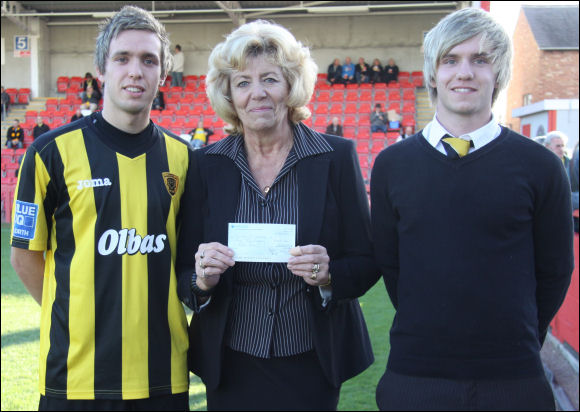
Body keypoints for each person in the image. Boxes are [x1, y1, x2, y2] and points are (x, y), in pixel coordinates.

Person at [371, 8, 573, 411]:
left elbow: (555, 270)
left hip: (513, 379)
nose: (464, 72)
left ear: (498, 74)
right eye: (451, 60)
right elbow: (393, 267)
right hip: (415, 376)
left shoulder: (541, 166)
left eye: (479, 60)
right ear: (433, 74)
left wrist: (514, 339)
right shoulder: (392, 165)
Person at [176, 20, 375, 411]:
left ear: (291, 86)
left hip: (312, 360)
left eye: (270, 78)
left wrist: (329, 273)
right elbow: (183, 271)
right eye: (243, 83)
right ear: (229, 95)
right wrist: (201, 279)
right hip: (230, 361)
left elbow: (367, 261)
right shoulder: (204, 165)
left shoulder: (335, 157)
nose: (258, 94)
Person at [10, 6, 191, 411]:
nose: (135, 71)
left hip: (162, 376)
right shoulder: (48, 153)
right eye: (122, 58)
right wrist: (78, 315)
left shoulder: (184, 158)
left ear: (162, 75)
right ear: (100, 71)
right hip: (74, 378)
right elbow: (24, 256)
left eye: (149, 60)